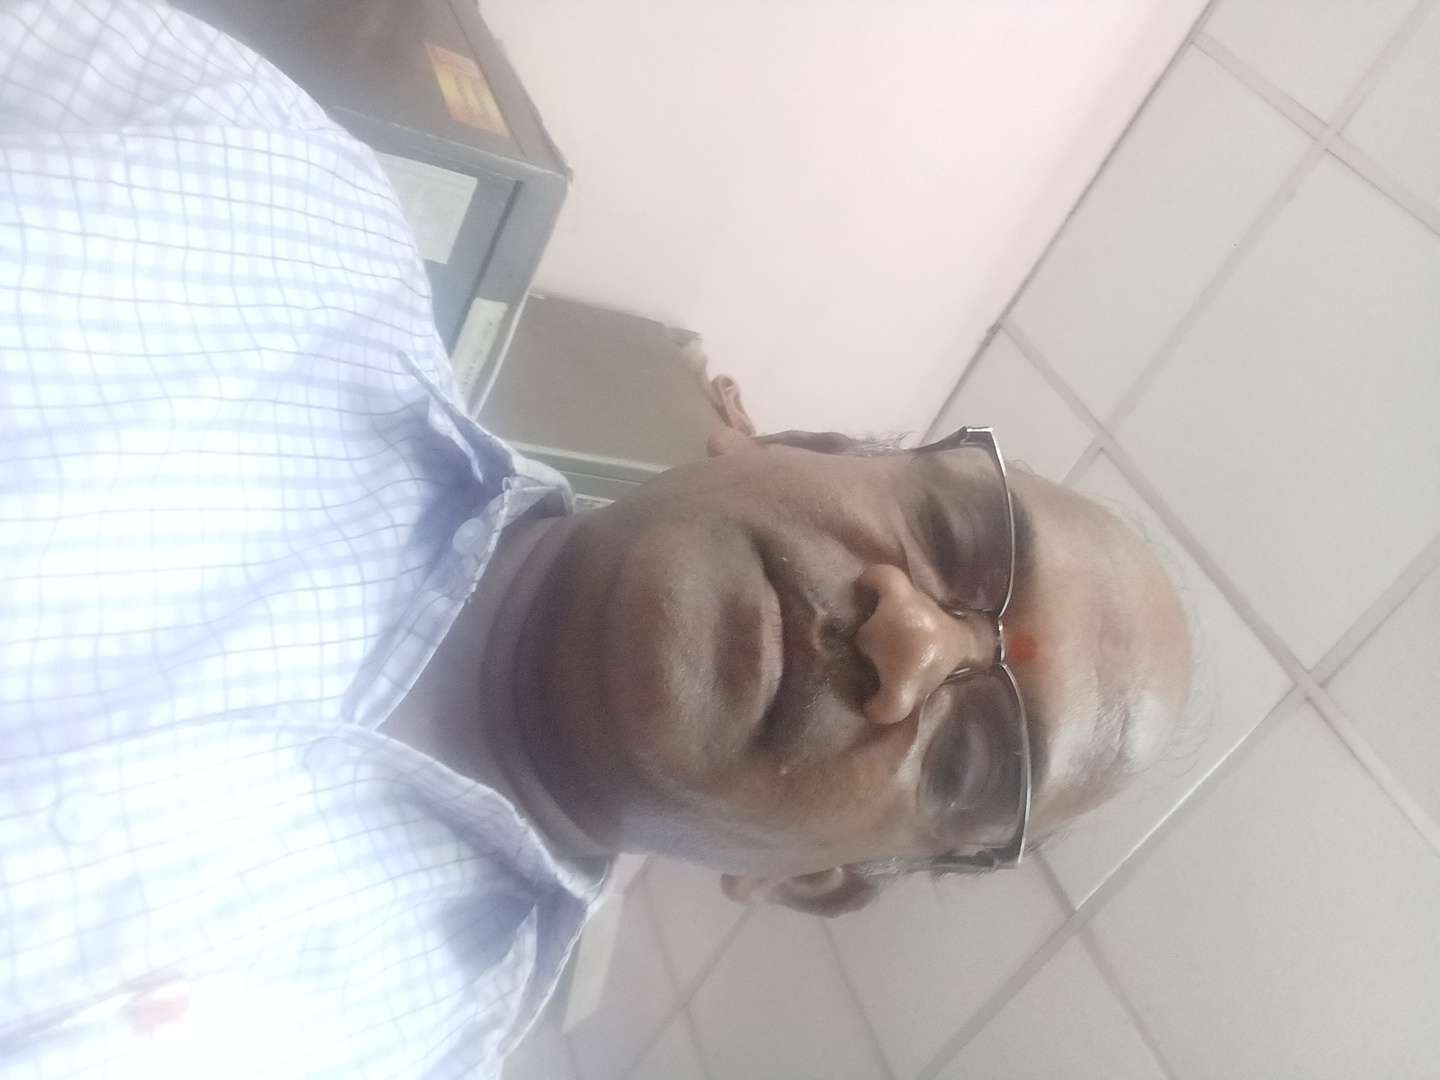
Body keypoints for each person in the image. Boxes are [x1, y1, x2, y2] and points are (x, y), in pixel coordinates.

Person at [0, 2, 1191, 1076]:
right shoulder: (261, 197)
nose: (912, 641)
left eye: (970, 758)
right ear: (794, 443)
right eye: (951, 532)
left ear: (805, 879)